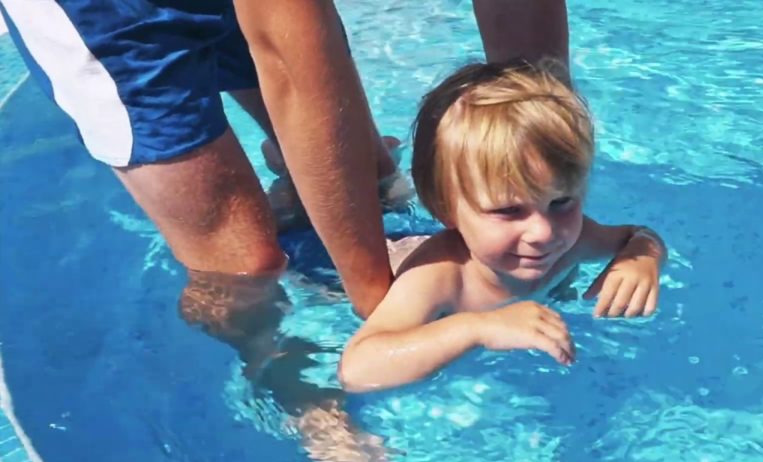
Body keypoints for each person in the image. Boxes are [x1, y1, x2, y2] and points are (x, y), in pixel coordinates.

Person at [0, 0, 569, 319]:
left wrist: (544, 146)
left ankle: (295, 191)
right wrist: (375, 295)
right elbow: (287, 54)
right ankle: (283, 384)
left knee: (374, 184)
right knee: (244, 270)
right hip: (105, 13)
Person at [338, 59, 668, 393]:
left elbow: (636, 236)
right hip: (328, 269)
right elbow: (358, 368)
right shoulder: (441, 276)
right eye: (509, 210)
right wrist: (478, 328)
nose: (544, 232)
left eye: (561, 202)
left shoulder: (576, 237)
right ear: (446, 211)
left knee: (389, 201)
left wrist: (641, 257)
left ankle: (384, 173)